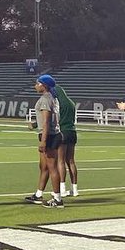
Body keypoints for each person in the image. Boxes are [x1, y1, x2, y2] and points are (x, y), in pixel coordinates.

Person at [24, 74, 64, 208]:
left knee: (52, 167)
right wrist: (36, 125)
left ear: (44, 85)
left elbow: (47, 121)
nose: (35, 85)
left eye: (38, 83)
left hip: (49, 136)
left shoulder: (46, 99)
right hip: (52, 134)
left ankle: (57, 199)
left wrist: (43, 141)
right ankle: (38, 194)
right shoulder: (52, 98)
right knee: (44, 166)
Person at [55, 82, 80, 197]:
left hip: (63, 131)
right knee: (71, 161)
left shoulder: (58, 103)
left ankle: (62, 187)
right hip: (72, 131)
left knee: (60, 161)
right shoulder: (71, 103)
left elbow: (55, 119)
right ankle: (75, 189)